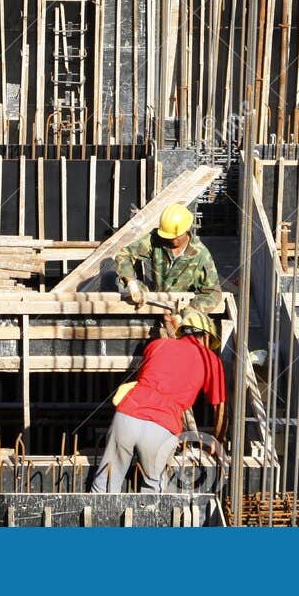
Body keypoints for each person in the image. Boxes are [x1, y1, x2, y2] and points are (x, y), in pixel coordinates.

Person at [91, 308, 226, 493]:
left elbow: (147, 376)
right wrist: (218, 441)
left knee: (104, 485)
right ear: (206, 337)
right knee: (152, 491)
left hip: (127, 416)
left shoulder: (157, 345)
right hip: (162, 427)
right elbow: (219, 408)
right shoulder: (211, 360)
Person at [114, 202, 223, 314]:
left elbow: (213, 293)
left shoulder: (200, 255)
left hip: (178, 306)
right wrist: (132, 283)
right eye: (169, 237)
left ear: (187, 229)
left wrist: (187, 313)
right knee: (115, 281)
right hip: (154, 299)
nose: (173, 240)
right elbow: (124, 254)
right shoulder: (157, 239)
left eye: (176, 236)